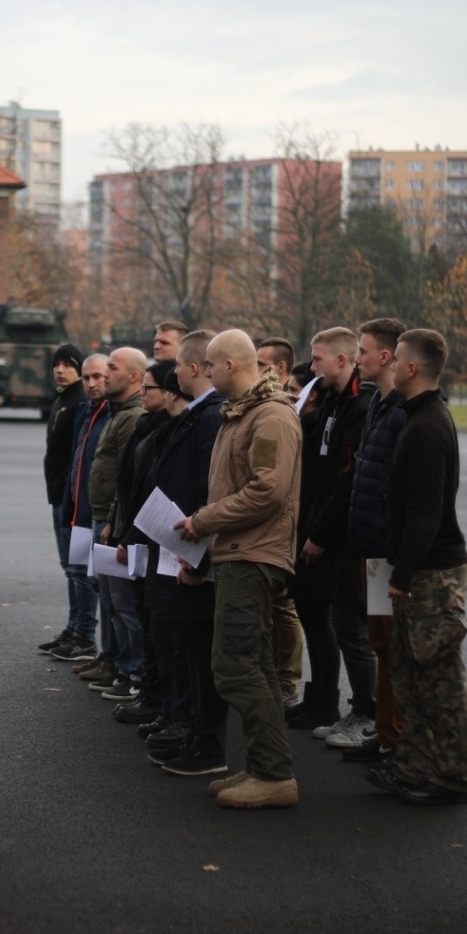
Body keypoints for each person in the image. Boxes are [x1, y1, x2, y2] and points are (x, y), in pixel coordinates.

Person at [176, 329, 302, 808]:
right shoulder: (244, 413)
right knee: (255, 665)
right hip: (238, 551)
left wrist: (203, 522)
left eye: (210, 364)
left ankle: (274, 776)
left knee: (233, 666)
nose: (205, 372)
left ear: (231, 365)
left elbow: (267, 490)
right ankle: (267, 767)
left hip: (254, 554)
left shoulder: (270, 416)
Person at [366, 328, 467, 806]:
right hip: (417, 571)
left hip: (430, 575)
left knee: (438, 680)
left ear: (410, 368)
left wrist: (404, 575)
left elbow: (427, 513)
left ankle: (450, 778)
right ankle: (414, 767)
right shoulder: (417, 417)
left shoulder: (429, 426)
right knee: (408, 675)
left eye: (396, 362)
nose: (389, 368)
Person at [145, 333, 230, 776]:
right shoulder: (198, 416)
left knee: (200, 650)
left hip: (194, 551)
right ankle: (197, 732)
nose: (173, 372)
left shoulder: (210, 418)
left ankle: (208, 744)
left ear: (194, 369)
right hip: (182, 548)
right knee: (189, 645)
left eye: (179, 365)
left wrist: (198, 559)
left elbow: (207, 489)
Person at [295, 328, 377, 749]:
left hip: (345, 540)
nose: (312, 368)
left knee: (353, 631)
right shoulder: (330, 403)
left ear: (342, 360)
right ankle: (345, 704)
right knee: (338, 625)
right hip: (322, 532)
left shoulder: (362, 407)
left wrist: (320, 534)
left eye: (318, 360)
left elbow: (347, 482)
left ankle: (368, 714)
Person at [341, 317, 408, 764]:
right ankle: (384, 734)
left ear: (385, 357)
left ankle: (395, 739)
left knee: (393, 647)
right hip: (371, 551)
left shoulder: (402, 411)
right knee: (381, 643)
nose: (357, 359)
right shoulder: (379, 406)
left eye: (362, 352)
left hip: (388, 553)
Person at [109, 359, 178, 724]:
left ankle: (158, 699)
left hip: (156, 536)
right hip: (135, 531)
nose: (143, 393)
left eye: (148, 388)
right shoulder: (145, 426)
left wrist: (132, 532)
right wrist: (115, 525)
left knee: (156, 621)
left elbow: (155, 489)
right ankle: (152, 696)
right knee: (142, 612)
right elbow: (128, 483)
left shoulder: (167, 429)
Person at [88, 347, 149, 698]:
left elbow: (128, 478)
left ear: (134, 377)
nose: (104, 373)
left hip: (114, 523)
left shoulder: (131, 417)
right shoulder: (117, 413)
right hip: (104, 519)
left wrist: (114, 520)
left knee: (124, 604)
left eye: (112, 368)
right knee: (111, 603)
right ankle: (119, 664)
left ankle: (133, 671)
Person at [48, 354, 110, 664]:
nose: (91, 383)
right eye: (86, 378)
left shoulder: (111, 413)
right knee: (74, 571)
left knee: (86, 575)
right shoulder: (85, 410)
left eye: (97, 376)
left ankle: (85, 637)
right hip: (73, 506)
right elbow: (76, 458)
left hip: (92, 512)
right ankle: (75, 629)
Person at [255, 335, 305, 708]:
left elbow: (272, 484)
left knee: (285, 607)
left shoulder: (281, 411)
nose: (254, 371)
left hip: (282, 527)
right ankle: (276, 677)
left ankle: (287, 681)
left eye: (260, 364)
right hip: (275, 527)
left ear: (280, 368)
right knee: (275, 608)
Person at [38, 343, 92, 655]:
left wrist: (74, 498)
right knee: (69, 567)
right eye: (56, 364)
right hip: (59, 495)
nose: (60, 369)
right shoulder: (62, 399)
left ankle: (84, 635)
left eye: (67, 364)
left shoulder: (79, 403)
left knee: (79, 569)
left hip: (73, 500)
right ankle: (73, 628)